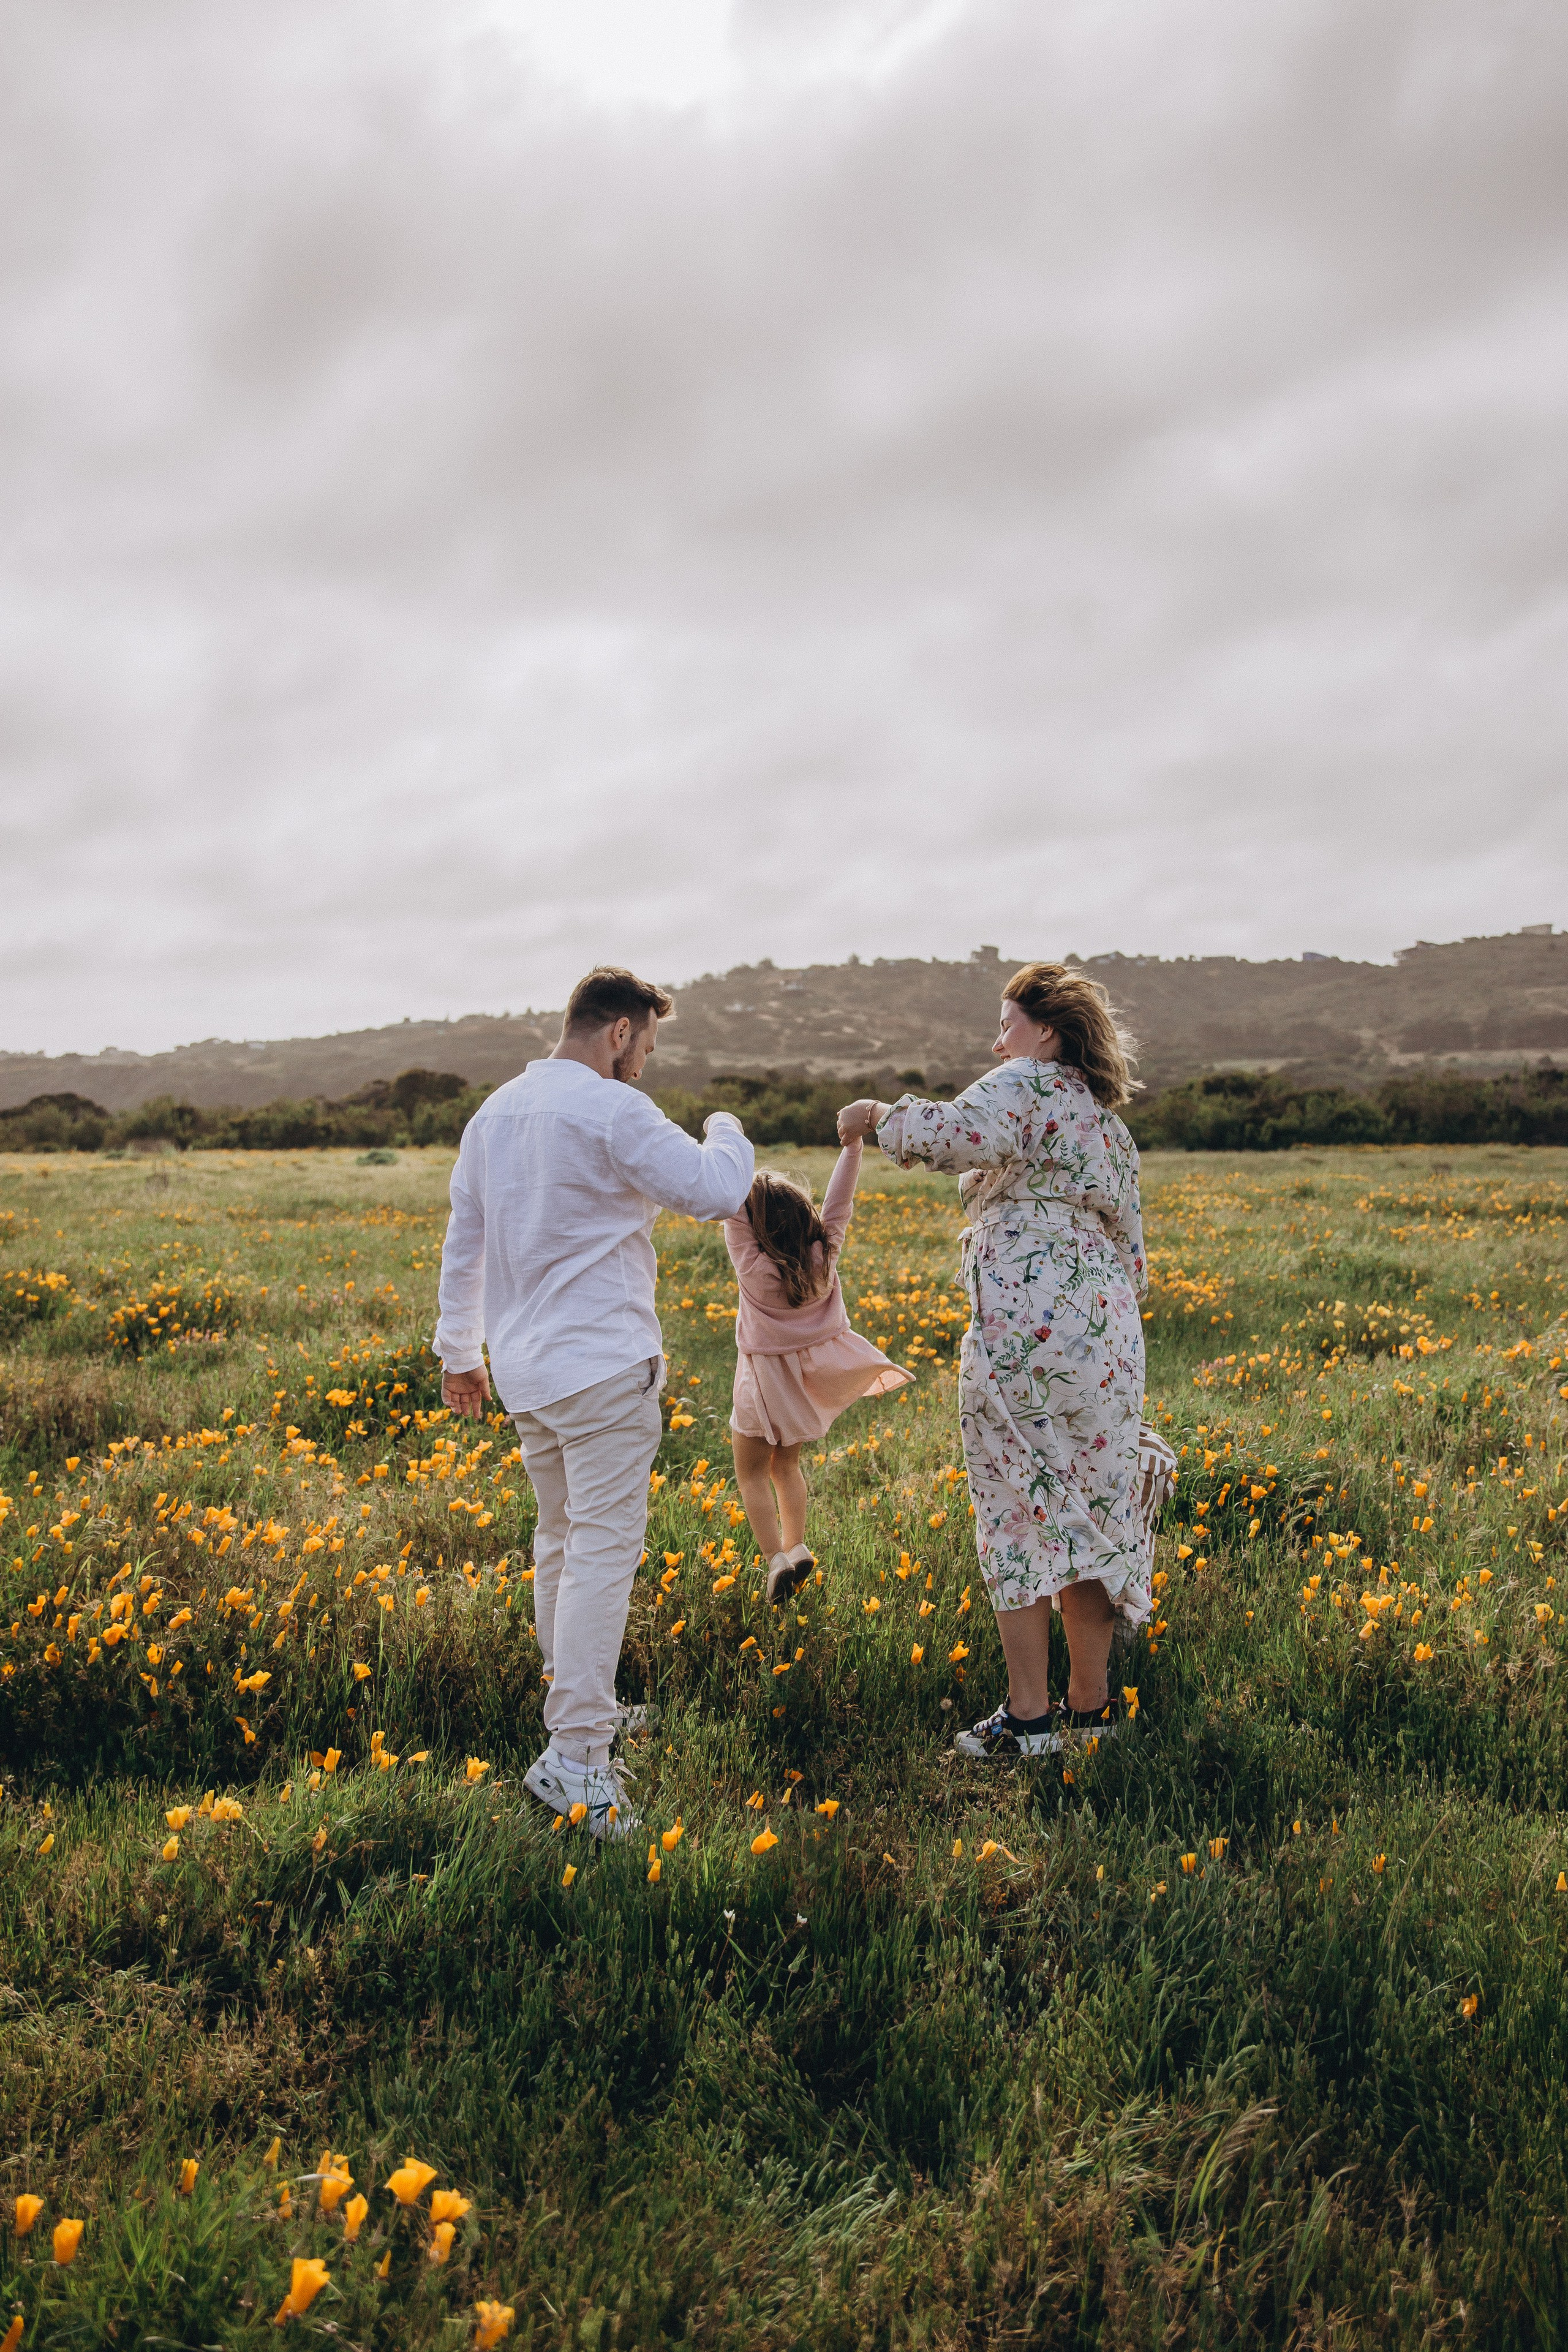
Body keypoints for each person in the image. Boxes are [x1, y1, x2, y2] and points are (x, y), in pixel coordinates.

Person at [433, 964, 754, 1837]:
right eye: (646, 1045)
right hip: (602, 1368)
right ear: (618, 1030)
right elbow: (717, 1189)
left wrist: (460, 1351)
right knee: (601, 1554)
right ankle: (576, 1754)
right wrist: (726, 1123)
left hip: (526, 1371)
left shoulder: (494, 1113)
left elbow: (466, 1241)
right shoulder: (612, 1108)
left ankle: (581, 1702)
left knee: (561, 1542)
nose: (645, 1063)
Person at [837, 961, 1156, 1758]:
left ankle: (1028, 1718)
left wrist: (877, 1115)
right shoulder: (1110, 1130)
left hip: (1026, 1328)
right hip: (1108, 1339)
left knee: (1016, 1510)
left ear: (1045, 1033)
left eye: (1007, 1024)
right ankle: (1090, 1710)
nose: (998, 1039)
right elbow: (1136, 1258)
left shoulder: (1025, 1085)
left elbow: (950, 1134)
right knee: (1088, 1510)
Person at [723, 1139, 913, 1604]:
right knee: (787, 1465)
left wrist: (726, 1154)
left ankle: (776, 1561)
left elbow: (734, 1214)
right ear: (808, 1220)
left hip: (762, 1386)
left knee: (750, 1474)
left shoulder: (754, 1267)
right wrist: (852, 1149)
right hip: (802, 1389)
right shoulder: (823, 1258)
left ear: (753, 1228)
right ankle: (798, 1543)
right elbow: (839, 1204)